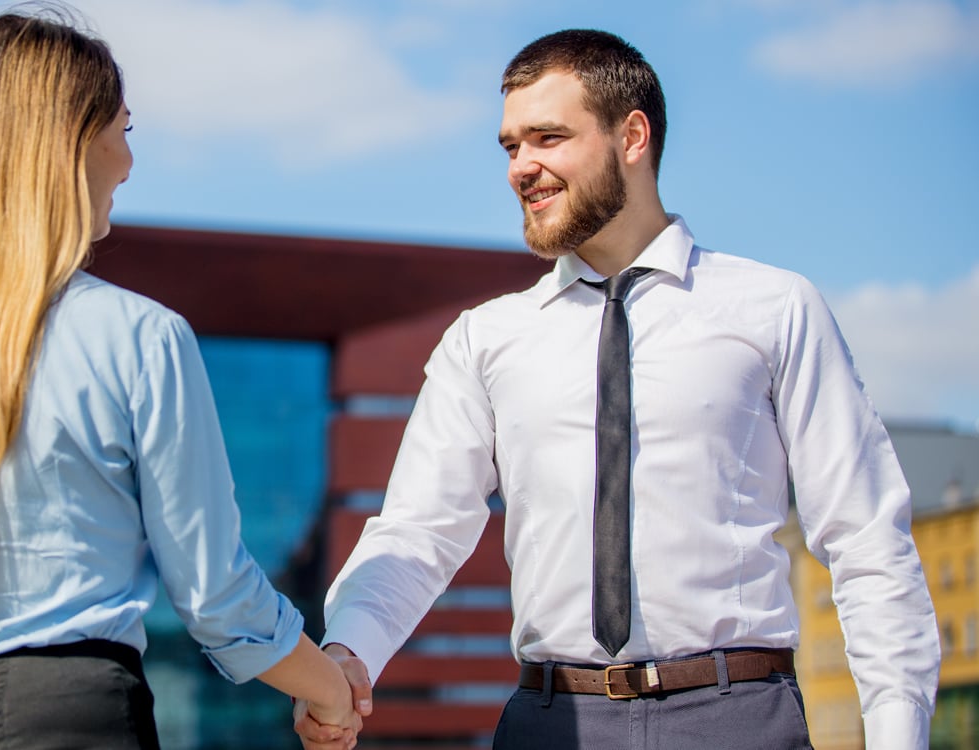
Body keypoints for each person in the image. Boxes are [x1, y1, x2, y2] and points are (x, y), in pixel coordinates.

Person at [295, 28, 940, 750]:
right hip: (551, 721)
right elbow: (419, 531)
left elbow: (865, 539)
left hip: (737, 719)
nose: (522, 168)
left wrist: (896, 733)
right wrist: (346, 655)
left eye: (547, 138)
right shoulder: (486, 339)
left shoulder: (776, 308)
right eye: (511, 146)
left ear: (631, 136)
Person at [0, 10, 363, 749]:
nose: (128, 163)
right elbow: (216, 594)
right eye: (124, 131)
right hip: (68, 717)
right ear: (72, 142)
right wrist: (331, 693)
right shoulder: (138, 334)